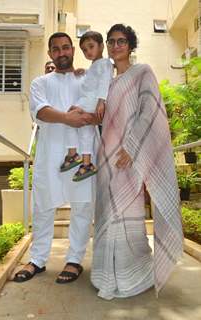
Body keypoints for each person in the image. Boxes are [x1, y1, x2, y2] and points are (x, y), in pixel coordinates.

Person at [91, 24, 183, 300]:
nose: (116, 45)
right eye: (111, 41)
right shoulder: (105, 80)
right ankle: (106, 274)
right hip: (107, 156)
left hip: (130, 155)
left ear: (131, 46)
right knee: (108, 212)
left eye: (122, 41)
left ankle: (134, 275)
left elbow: (149, 112)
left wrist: (132, 147)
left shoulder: (142, 72)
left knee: (126, 211)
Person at [13, 32, 97, 284]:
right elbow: (40, 111)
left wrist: (86, 117)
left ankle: (74, 260)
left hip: (83, 153)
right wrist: (68, 118)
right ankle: (37, 260)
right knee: (43, 205)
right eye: (56, 49)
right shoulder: (40, 82)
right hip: (50, 153)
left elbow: (99, 111)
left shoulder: (86, 79)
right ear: (50, 54)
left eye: (65, 48)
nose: (61, 53)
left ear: (73, 50)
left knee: (82, 205)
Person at [60, 31, 113, 182]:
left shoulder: (106, 63)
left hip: (90, 102)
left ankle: (72, 154)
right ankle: (86, 163)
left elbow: (104, 81)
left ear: (101, 46)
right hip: (89, 101)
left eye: (91, 47)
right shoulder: (96, 65)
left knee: (69, 117)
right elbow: (94, 76)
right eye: (84, 49)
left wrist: (101, 101)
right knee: (85, 133)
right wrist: (83, 71)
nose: (88, 51)